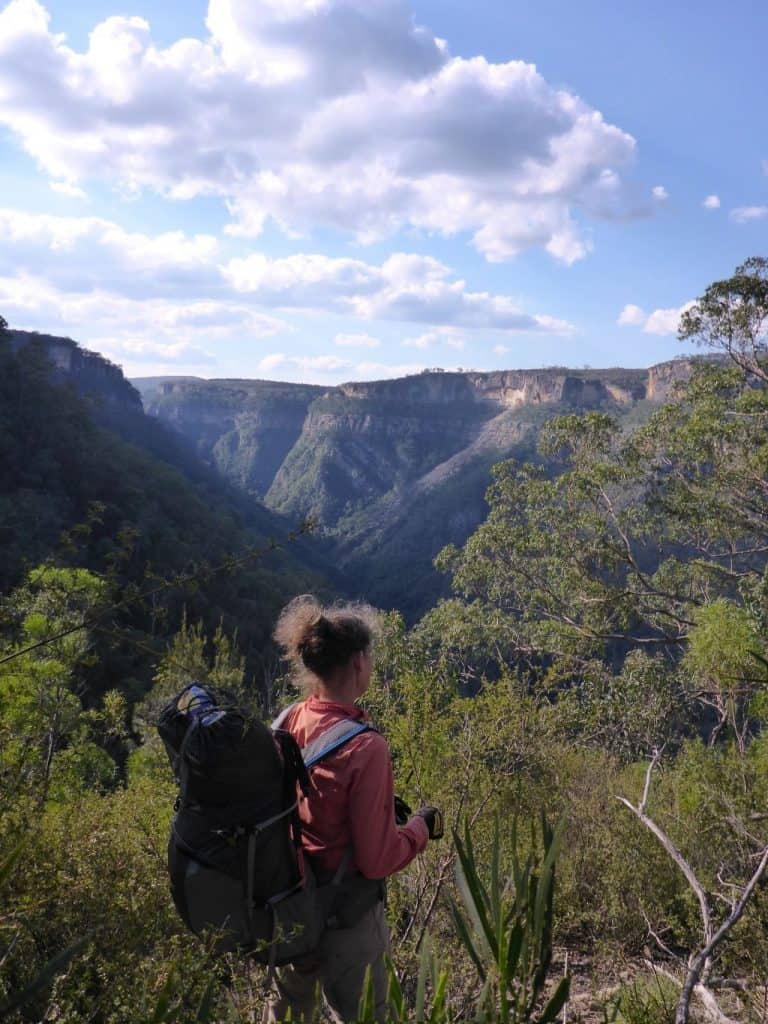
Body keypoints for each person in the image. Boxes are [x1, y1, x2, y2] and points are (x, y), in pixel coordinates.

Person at [263, 595, 442, 1024]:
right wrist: (419, 827)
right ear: (360, 662)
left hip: (288, 905)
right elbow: (377, 859)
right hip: (346, 915)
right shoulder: (366, 746)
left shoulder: (286, 721)